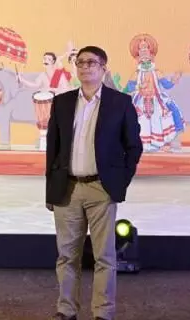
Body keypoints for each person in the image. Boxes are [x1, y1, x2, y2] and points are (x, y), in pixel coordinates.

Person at [44, 45, 143, 320]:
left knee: (105, 257)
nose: (85, 67)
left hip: (102, 189)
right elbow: (53, 149)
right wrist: (50, 191)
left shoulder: (120, 103)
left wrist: (120, 181)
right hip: (67, 189)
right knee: (67, 257)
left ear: (103, 68)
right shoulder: (62, 102)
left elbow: (133, 146)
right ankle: (66, 310)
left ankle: (103, 313)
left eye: (92, 62)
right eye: (80, 62)